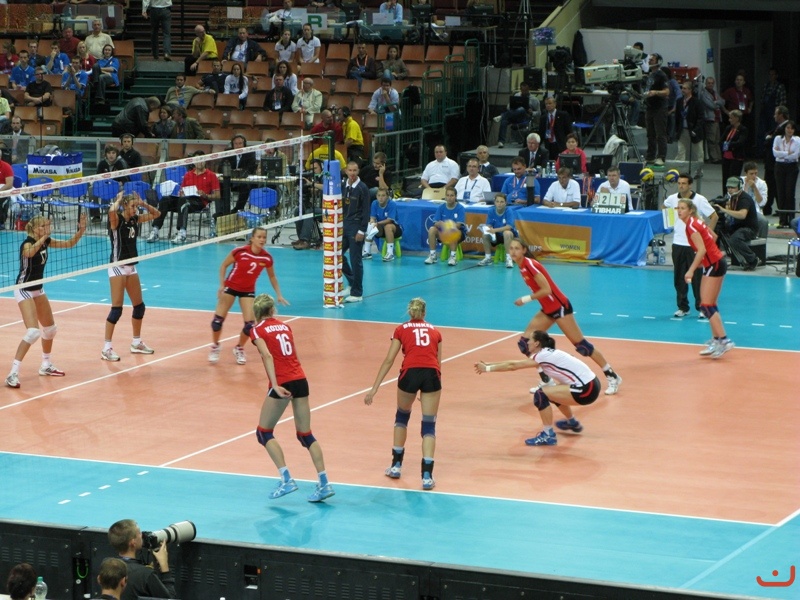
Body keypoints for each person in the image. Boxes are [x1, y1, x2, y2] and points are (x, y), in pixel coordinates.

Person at [509, 238, 622, 394]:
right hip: (548, 309)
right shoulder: (521, 266)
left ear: (524, 250)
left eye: (517, 248)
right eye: (511, 248)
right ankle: (546, 380)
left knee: (582, 346)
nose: (513, 251)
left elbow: (547, 290)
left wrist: (525, 299)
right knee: (525, 344)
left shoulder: (529, 265)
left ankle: (612, 376)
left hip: (560, 307)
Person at [250, 293, 335, 502]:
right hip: (300, 379)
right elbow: (291, 354)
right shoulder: (286, 327)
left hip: (283, 382)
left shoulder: (257, 329)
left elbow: (267, 355)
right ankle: (324, 483)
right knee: (306, 435)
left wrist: (275, 384)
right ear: (272, 310)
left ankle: (286, 479)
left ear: (257, 312)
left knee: (263, 433)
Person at [364, 297, 442, 490]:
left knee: (402, 416)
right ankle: (427, 476)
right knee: (429, 425)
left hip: (409, 374)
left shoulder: (400, 329)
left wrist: (374, 388)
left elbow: (389, 359)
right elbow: (438, 363)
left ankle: (396, 466)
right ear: (424, 313)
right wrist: (428, 390)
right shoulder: (436, 331)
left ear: (409, 312)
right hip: (431, 375)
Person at [474, 330, 601, 446]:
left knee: (541, 394)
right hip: (592, 384)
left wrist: (487, 369)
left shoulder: (542, 356)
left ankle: (548, 435)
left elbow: (512, 366)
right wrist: (488, 364)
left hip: (586, 390)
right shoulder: (546, 354)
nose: (527, 342)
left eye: (530, 339)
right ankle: (572, 422)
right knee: (552, 392)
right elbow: (514, 363)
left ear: (536, 343)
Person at [5, 214, 86, 389]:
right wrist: (44, 238)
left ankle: (46, 364)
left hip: (38, 289)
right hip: (24, 289)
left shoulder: (46, 241)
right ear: (34, 228)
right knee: (33, 332)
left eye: (48, 225)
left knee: (50, 329)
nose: (47, 228)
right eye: (43, 226)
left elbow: (69, 243)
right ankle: (13, 373)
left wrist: (81, 231)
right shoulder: (27, 243)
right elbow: (29, 253)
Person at [209, 226, 288, 364]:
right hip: (231, 287)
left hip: (247, 291)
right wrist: (222, 285)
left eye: (264, 237)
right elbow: (223, 266)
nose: (262, 240)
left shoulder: (266, 258)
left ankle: (239, 348)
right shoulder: (240, 252)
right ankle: (215, 346)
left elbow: (272, 276)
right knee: (217, 322)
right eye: (259, 237)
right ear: (252, 238)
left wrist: (279, 295)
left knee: (249, 326)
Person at [102, 194, 160, 362]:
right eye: (133, 206)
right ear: (125, 206)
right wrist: (118, 200)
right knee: (116, 310)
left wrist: (143, 203)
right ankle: (106, 348)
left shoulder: (135, 219)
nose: (136, 209)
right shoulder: (117, 220)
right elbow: (111, 212)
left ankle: (136, 342)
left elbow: (156, 214)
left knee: (139, 307)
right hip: (117, 267)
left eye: (136, 207)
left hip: (131, 267)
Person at [677, 198, 734, 358]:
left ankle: (724, 340)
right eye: (678, 208)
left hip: (714, 264)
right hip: (715, 262)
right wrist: (708, 257)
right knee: (709, 305)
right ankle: (717, 340)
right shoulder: (697, 222)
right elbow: (713, 237)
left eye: (682, 208)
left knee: (707, 305)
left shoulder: (691, 225)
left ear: (690, 210)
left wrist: (690, 270)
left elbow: (701, 250)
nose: (679, 211)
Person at [662, 173, 717, 318]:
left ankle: (702, 308)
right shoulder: (672, 199)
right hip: (678, 244)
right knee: (679, 278)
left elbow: (714, 216)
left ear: (690, 185)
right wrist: (669, 221)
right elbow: (664, 207)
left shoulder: (700, 200)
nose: (681, 186)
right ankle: (683, 307)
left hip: (694, 247)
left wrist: (706, 235)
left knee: (697, 279)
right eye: (679, 183)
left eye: (684, 183)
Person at [149, 151, 219, 244]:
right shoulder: (188, 175)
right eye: (197, 160)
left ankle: (182, 234)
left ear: (205, 161)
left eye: (202, 159)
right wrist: (181, 193)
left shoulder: (211, 175)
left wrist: (205, 195)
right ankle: (155, 231)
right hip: (184, 199)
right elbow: (182, 191)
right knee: (165, 199)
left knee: (183, 201)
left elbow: (217, 196)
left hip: (199, 202)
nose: (199, 162)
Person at [107, 519, 176, 600]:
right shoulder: (146, 574)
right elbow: (170, 598)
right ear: (133, 542)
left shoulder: (107, 567)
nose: (142, 535)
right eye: (139, 533)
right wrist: (165, 567)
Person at [341, 161, 371, 302]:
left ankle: (357, 293)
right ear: (346, 171)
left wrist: (362, 230)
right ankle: (352, 282)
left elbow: (366, 211)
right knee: (337, 255)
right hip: (343, 226)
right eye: (350, 170)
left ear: (358, 171)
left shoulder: (362, 188)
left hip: (356, 226)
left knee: (355, 259)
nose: (352, 173)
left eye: (355, 170)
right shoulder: (343, 186)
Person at [716, 177, 760, 270]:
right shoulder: (733, 197)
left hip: (749, 228)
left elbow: (742, 215)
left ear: (739, 187)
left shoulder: (744, 198)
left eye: (733, 187)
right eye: (728, 187)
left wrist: (724, 210)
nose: (730, 190)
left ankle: (753, 259)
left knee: (735, 239)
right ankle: (716, 256)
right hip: (738, 225)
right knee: (717, 228)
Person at [424, 186, 466, 266]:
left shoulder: (460, 208)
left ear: (455, 196)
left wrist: (446, 225)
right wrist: (440, 224)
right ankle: (433, 255)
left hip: (458, 233)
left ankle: (453, 257)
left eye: (452, 195)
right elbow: (436, 222)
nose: (449, 198)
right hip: (443, 232)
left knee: (453, 230)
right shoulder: (441, 207)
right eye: (448, 195)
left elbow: (458, 225)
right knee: (432, 229)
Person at [495, 81, 540, 148]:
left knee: (522, 108)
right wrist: (512, 106)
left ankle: (502, 116)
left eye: (525, 90)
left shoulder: (534, 99)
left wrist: (532, 112)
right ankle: (501, 141)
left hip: (525, 118)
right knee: (504, 121)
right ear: (520, 89)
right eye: (522, 90)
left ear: (528, 89)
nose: (523, 92)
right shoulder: (516, 95)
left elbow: (539, 113)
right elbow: (508, 107)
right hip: (514, 116)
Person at [763, 105, 790, 216]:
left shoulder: (786, 128)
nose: (774, 116)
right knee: (772, 185)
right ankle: (770, 208)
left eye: (776, 114)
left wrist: (769, 139)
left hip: (776, 162)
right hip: (771, 162)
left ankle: (781, 209)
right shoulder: (778, 127)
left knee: (776, 185)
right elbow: (768, 135)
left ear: (781, 115)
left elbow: (773, 141)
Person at [476, 192, 516, 267]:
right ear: (494, 202)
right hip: (496, 236)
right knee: (485, 235)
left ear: (505, 203)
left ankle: (509, 258)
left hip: (509, 236)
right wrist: (488, 228)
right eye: (497, 201)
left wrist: (494, 230)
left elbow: (509, 227)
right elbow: (489, 224)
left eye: (502, 202)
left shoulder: (509, 211)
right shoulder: (491, 211)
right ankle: (488, 258)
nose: (499, 204)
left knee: (507, 233)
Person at [772, 119, 799, 229]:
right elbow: (775, 153)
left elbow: (795, 155)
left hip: (792, 167)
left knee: (789, 193)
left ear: (794, 130)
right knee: (781, 193)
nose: (789, 130)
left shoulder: (797, 140)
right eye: (788, 128)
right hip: (779, 167)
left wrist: (781, 153)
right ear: (784, 129)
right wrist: (787, 153)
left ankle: (791, 220)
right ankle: (782, 220)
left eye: (792, 128)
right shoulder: (778, 139)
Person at [92, 144, 130, 222]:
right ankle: (96, 215)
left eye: (113, 153)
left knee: (123, 190)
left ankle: (118, 213)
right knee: (91, 189)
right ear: (106, 154)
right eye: (109, 153)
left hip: (118, 186)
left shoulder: (121, 163)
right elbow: (97, 177)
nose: (111, 155)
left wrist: (117, 184)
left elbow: (126, 180)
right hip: (104, 186)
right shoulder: (102, 163)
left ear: (116, 154)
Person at [643, 53, 669, 166]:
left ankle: (661, 157)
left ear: (658, 61)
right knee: (650, 134)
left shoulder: (661, 75)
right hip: (650, 107)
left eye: (652, 60)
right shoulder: (650, 75)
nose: (649, 61)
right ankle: (650, 156)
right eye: (649, 60)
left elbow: (667, 91)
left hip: (659, 108)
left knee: (660, 134)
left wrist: (655, 92)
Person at [365, 187, 402, 262]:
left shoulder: (392, 204)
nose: (381, 198)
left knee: (388, 227)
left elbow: (390, 220)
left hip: (395, 229)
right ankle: (367, 252)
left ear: (387, 196)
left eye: (383, 195)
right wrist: (372, 222)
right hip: (381, 229)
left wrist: (377, 223)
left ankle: (390, 253)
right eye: (379, 195)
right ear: (376, 196)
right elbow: (372, 217)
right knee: (370, 225)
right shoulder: (374, 203)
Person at [223, 133, 259, 213]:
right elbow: (221, 167)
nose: (238, 146)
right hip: (230, 180)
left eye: (240, 143)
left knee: (245, 186)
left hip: (244, 180)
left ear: (244, 144)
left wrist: (240, 172)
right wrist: (232, 172)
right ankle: (223, 210)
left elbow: (251, 168)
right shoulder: (227, 152)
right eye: (235, 144)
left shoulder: (250, 152)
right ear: (232, 145)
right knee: (220, 184)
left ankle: (238, 209)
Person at [674, 81, 704, 164]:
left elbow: (701, 118)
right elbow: (677, 117)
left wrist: (695, 130)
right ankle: (679, 169)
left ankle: (699, 169)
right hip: (682, 130)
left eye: (685, 88)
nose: (682, 90)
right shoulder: (679, 101)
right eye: (682, 88)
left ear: (690, 90)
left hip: (694, 131)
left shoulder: (697, 102)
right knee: (680, 151)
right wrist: (677, 130)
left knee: (698, 153)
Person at [720, 109, 748, 195]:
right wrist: (724, 144)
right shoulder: (728, 128)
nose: (729, 120)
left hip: (736, 157)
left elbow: (740, 142)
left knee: (733, 178)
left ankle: (733, 196)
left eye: (731, 118)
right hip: (726, 156)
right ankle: (725, 195)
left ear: (737, 118)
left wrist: (729, 145)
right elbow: (721, 140)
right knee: (725, 178)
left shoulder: (743, 129)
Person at [699, 76, 725, 164]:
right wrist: (717, 103)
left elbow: (723, 101)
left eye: (712, 83)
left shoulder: (715, 93)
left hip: (717, 118)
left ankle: (719, 157)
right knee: (711, 140)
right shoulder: (704, 94)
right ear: (705, 83)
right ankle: (714, 158)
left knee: (717, 140)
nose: (710, 85)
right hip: (710, 119)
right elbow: (711, 106)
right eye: (709, 83)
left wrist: (716, 102)